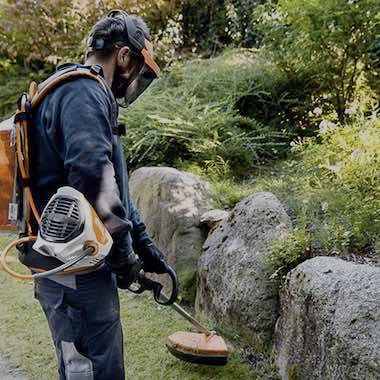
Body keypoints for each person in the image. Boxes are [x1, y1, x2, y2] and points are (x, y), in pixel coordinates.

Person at [22, 10, 168, 380]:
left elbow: (114, 183)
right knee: (88, 369)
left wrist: (146, 249)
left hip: (79, 259)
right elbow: (92, 179)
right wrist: (123, 255)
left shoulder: (85, 91)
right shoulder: (82, 92)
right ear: (123, 56)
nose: (136, 79)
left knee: (95, 362)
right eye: (138, 67)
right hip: (72, 264)